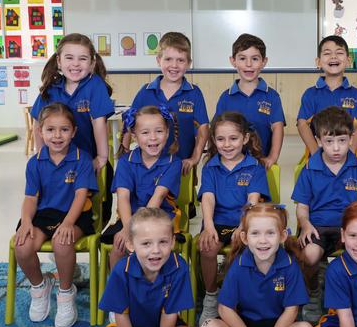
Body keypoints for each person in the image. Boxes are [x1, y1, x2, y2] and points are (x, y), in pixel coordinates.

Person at [14, 102, 98, 327]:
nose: (57, 136)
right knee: (22, 246)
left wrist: (69, 223)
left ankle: (65, 293)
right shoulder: (35, 162)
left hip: (75, 213)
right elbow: (31, 198)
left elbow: (81, 196)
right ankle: (40, 287)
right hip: (44, 215)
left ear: (74, 132)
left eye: (64, 129)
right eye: (50, 130)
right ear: (40, 131)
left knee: (62, 244)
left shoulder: (82, 159)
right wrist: (27, 222)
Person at [292, 106, 357, 322]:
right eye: (329, 142)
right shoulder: (310, 168)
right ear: (319, 141)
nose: (336, 148)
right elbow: (302, 207)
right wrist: (305, 224)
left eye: (342, 140)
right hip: (318, 227)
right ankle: (312, 292)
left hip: (351, 228)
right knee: (310, 256)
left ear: (351, 139)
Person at [200, 203, 314, 327]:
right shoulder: (239, 265)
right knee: (208, 326)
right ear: (245, 238)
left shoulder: (290, 266)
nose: (263, 241)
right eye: (255, 233)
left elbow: (291, 311)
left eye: (270, 233)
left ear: (283, 236)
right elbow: (225, 309)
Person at [31, 32, 114, 222]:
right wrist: (42, 155)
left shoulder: (95, 85)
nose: (75, 64)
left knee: (93, 213)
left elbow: (99, 122)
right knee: (55, 208)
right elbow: (38, 123)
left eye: (82, 58)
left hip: (89, 161)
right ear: (59, 61)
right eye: (69, 58)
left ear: (92, 63)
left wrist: (101, 157)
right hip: (57, 163)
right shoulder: (52, 88)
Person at [198, 111, 271, 324]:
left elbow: (252, 201)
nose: (227, 145)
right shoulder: (210, 166)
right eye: (220, 139)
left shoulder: (255, 167)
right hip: (218, 221)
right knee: (208, 247)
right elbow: (208, 199)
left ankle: (245, 298)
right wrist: (208, 226)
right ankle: (211, 297)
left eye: (233, 138)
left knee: (251, 248)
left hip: (246, 221)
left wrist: (242, 227)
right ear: (213, 140)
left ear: (245, 139)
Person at [99, 207, 200, 327]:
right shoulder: (121, 270)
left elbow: (169, 314)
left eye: (163, 242)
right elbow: (121, 316)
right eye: (146, 243)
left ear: (172, 242)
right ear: (130, 244)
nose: (156, 250)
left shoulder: (179, 266)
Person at [103, 105, 182, 271]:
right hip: (128, 218)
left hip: (161, 219)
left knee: (153, 249)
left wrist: (136, 231)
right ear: (134, 136)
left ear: (167, 133)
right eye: (145, 133)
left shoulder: (173, 162)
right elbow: (123, 199)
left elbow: (157, 199)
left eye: (159, 131)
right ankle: (121, 291)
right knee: (118, 247)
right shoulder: (126, 162)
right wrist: (127, 228)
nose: (153, 138)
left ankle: (156, 290)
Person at [123, 32, 209, 176]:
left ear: (188, 63)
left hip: (181, 166)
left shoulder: (194, 93)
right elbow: (129, 121)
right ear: (158, 60)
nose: (174, 65)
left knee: (183, 197)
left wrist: (194, 158)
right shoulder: (146, 91)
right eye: (168, 59)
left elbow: (203, 128)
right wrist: (125, 153)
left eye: (180, 60)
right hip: (148, 167)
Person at [215, 33, 285, 169]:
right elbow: (217, 130)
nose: (248, 64)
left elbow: (277, 128)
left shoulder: (272, 96)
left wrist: (272, 157)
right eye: (242, 58)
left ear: (264, 62)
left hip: (261, 163)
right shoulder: (226, 97)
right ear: (233, 61)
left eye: (254, 59)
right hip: (231, 163)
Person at [297, 35, 357, 155]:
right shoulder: (310, 94)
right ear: (318, 62)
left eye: (339, 52)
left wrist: (350, 154)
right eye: (327, 53)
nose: (333, 57)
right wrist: (316, 153)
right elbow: (302, 124)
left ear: (348, 60)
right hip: (317, 157)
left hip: (348, 158)